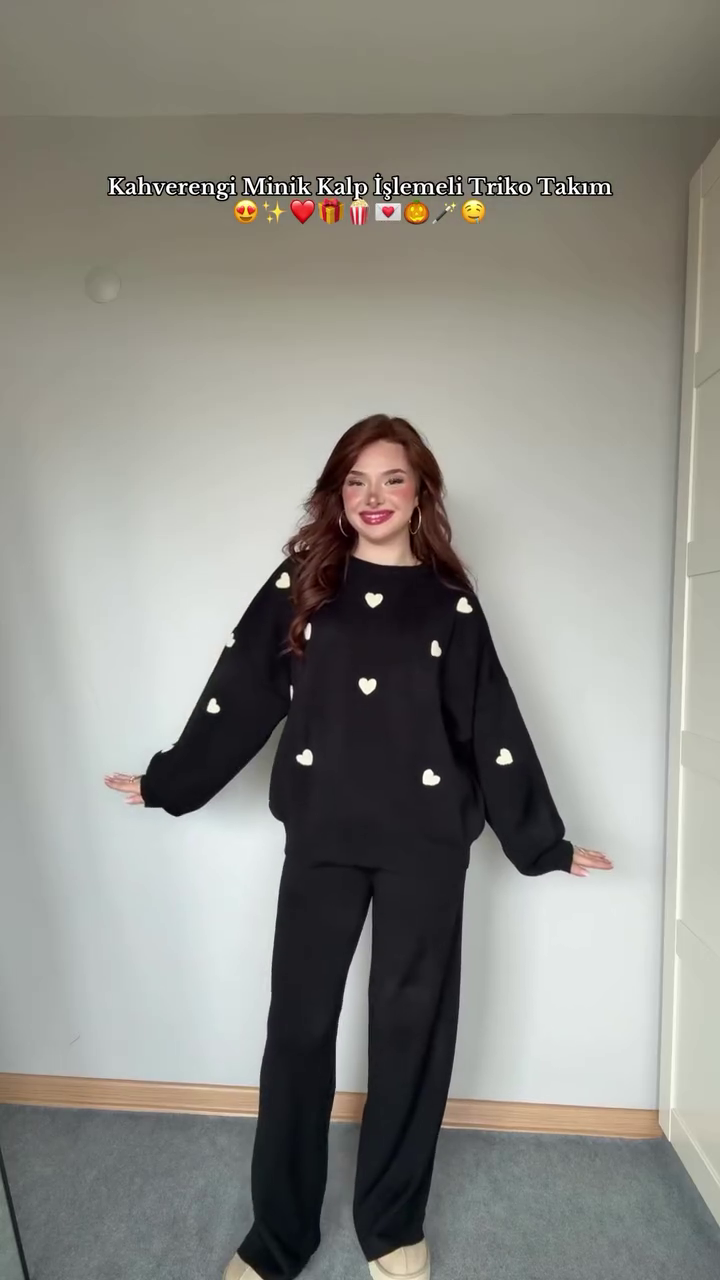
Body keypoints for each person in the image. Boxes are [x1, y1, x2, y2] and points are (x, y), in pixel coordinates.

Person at [105, 413, 613, 1280]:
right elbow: (242, 688)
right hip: (324, 835)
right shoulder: (303, 583)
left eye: (393, 479)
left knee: (412, 1030)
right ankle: (279, 1236)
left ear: (421, 494)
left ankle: (392, 1225)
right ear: (337, 494)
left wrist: (542, 841)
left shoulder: (451, 604)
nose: (374, 497)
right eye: (357, 481)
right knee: (299, 1029)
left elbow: (490, 721)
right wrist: (170, 780)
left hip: (426, 844)